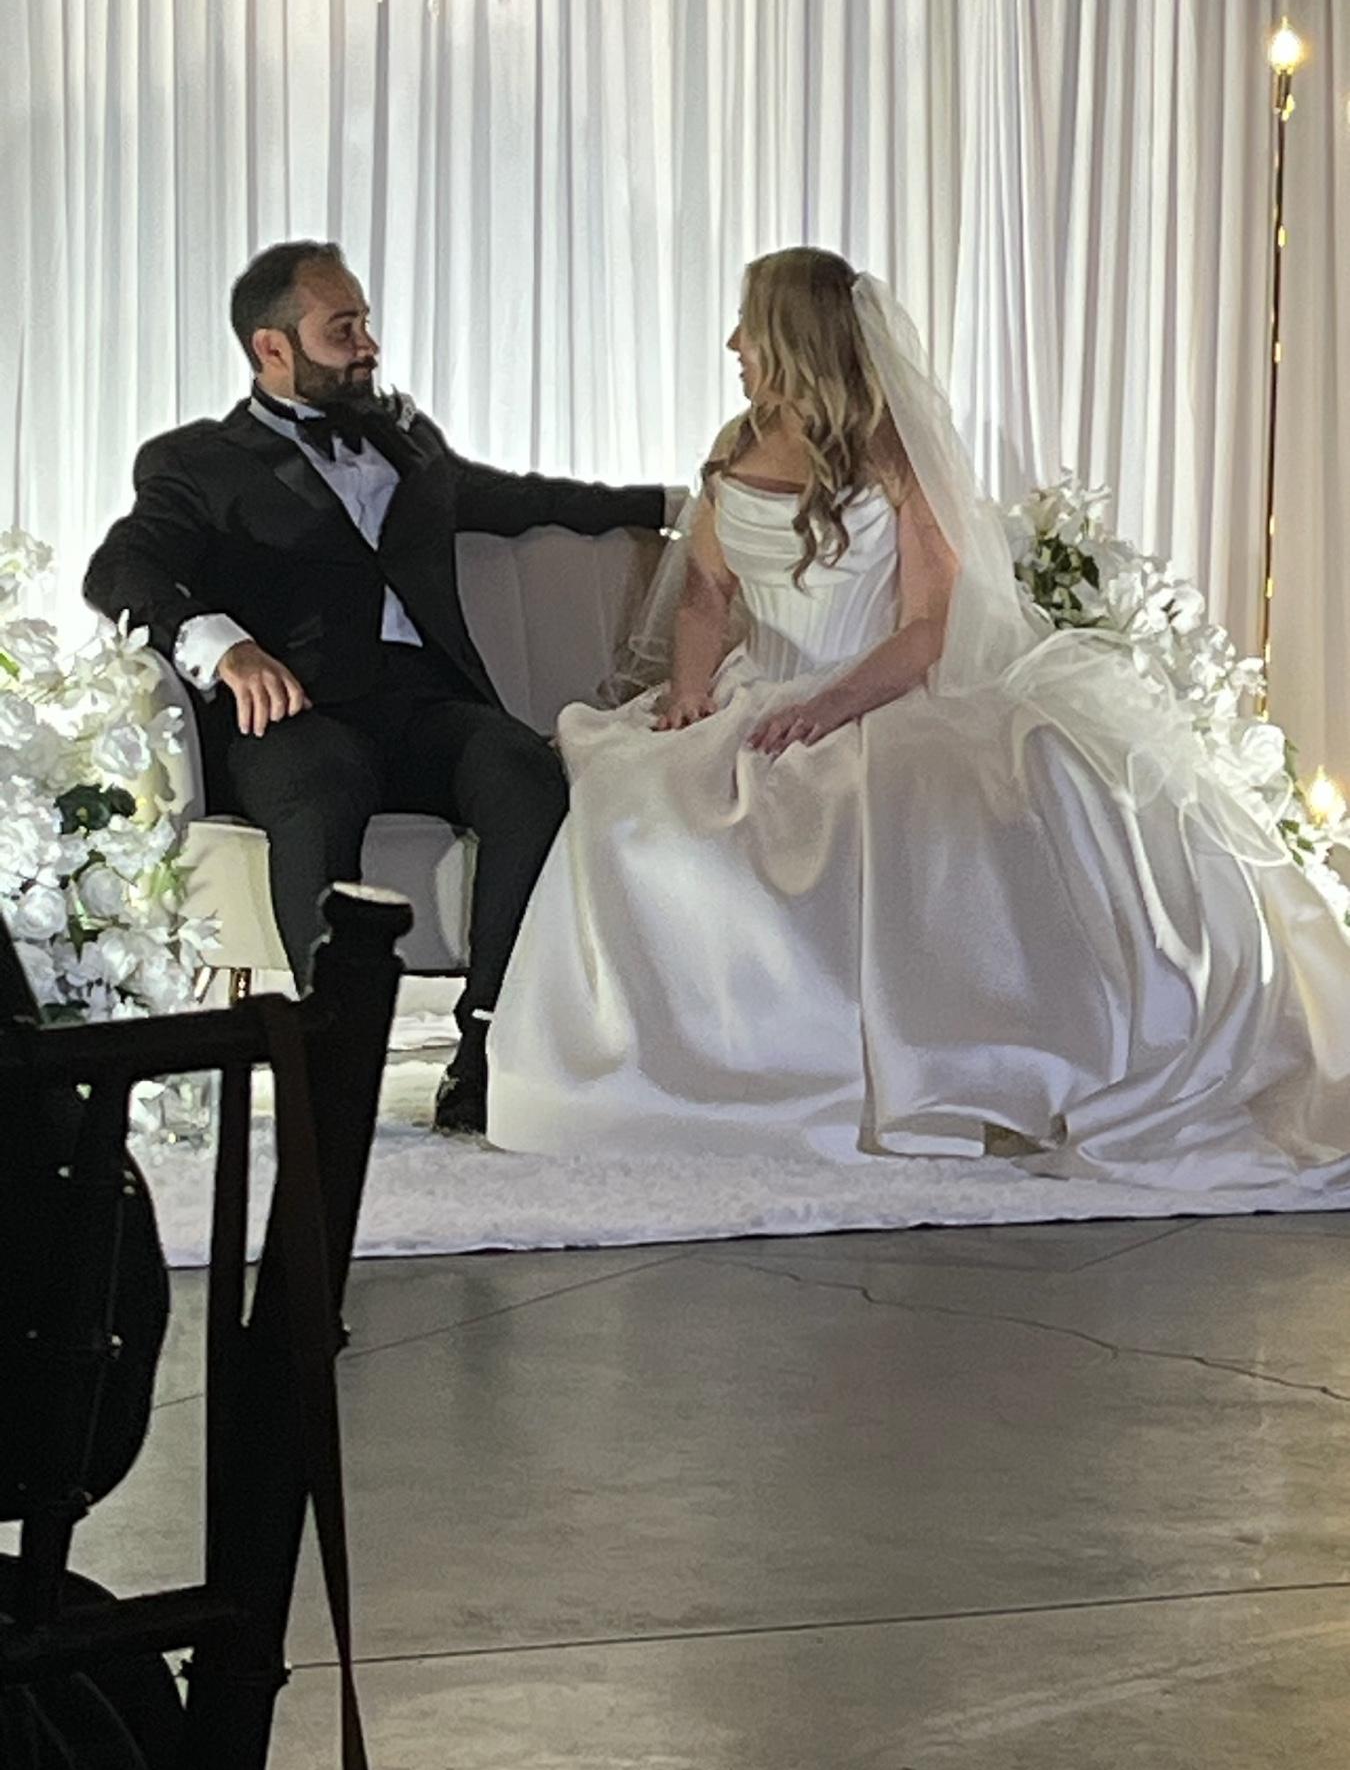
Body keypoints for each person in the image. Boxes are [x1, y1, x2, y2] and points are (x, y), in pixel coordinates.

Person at [486, 246, 1350, 1194]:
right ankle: (667, 1079)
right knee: (632, 805)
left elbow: (930, 626)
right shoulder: (739, 443)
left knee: (883, 816)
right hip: (751, 694)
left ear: (795, 338)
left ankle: (909, 1076)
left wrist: (829, 705)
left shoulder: (897, 456)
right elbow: (703, 593)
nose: (733, 344)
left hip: (878, 692)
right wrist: (691, 691)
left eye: (749, 327)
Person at [86, 239, 679, 1133]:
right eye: (343, 329)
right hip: (299, 712)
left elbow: (514, 499)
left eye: (364, 322)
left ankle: (486, 1048)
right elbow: (120, 569)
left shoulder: (406, 442)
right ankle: (330, 1058)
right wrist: (227, 648)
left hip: (424, 705)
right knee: (320, 789)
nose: (368, 344)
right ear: (272, 347)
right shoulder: (197, 461)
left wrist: (677, 506)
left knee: (525, 773)